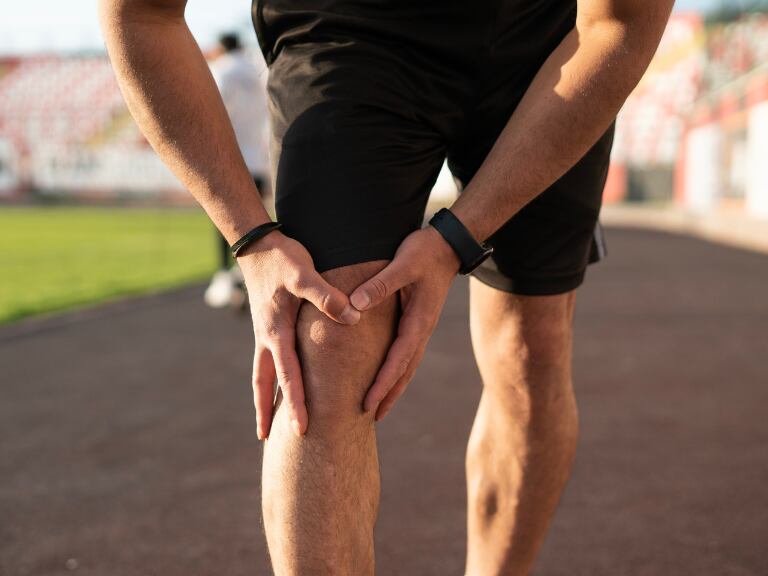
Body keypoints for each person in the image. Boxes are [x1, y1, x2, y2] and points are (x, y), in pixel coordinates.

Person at [99, 0, 674, 573]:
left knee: (530, 349)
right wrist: (251, 239)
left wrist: (456, 239)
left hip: (550, 39)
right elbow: (141, 15)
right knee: (324, 338)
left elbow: (620, 25)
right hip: (353, 25)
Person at [204, 31, 270, 309]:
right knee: (257, 227)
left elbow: (211, 110)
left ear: (221, 48)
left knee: (226, 226)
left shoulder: (222, 71)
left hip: (230, 161)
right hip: (259, 161)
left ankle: (226, 280)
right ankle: (251, 284)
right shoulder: (258, 70)